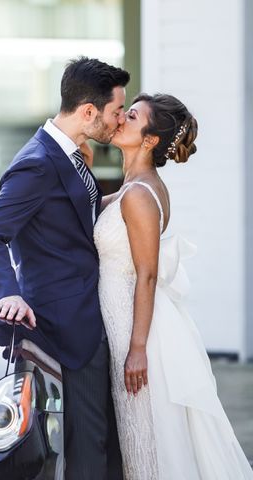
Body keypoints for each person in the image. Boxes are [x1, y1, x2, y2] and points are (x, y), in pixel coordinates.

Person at [0, 57, 128, 479]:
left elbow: (78, 222)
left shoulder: (72, 155)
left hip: (90, 313)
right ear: (89, 112)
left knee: (94, 441)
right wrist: (5, 292)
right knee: (87, 446)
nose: (119, 121)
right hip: (67, 324)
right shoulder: (36, 164)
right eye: (116, 112)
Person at [93, 92, 253, 479]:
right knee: (138, 439)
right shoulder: (134, 186)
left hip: (138, 331)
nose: (120, 120)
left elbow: (147, 274)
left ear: (149, 140)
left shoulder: (140, 195)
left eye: (130, 116)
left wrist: (136, 349)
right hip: (123, 321)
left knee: (147, 441)